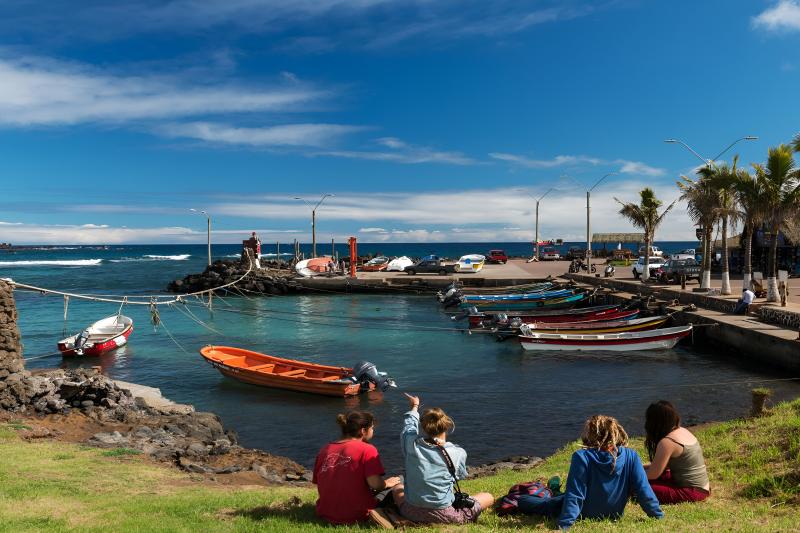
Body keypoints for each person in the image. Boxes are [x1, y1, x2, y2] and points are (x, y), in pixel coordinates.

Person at [516, 415, 663, 530]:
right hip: (614, 514)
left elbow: (575, 495)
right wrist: (657, 515)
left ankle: (549, 492)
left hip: (582, 512)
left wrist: (564, 525)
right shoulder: (631, 456)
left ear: (592, 434)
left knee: (525, 500)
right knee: (560, 497)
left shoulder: (582, 457)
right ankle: (553, 491)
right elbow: (644, 490)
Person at [391, 393, 494, 524]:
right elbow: (459, 476)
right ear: (447, 425)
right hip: (444, 514)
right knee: (488, 497)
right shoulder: (457, 452)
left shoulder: (411, 445)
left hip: (411, 511)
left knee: (397, 488)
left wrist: (414, 406)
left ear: (423, 427)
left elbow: (409, 428)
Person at [313, 411, 401, 525]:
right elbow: (376, 485)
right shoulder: (367, 449)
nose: (373, 431)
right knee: (400, 481)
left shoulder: (324, 450)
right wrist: (387, 483)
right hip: (358, 515)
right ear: (363, 431)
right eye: (372, 428)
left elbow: (319, 480)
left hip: (326, 512)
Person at [643, 400, 710, 504]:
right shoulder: (683, 431)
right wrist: (639, 467)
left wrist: (630, 474)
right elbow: (661, 467)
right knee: (659, 475)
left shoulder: (667, 442)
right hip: (703, 488)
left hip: (692, 492)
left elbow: (653, 474)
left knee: (637, 485)